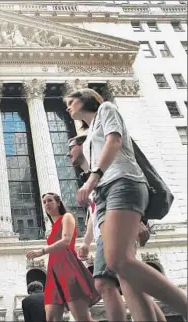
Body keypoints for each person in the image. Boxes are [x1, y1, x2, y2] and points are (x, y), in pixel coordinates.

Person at [64, 88, 187, 321]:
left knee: (118, 261)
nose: (68, 105)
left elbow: (115, 141)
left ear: (85, 99)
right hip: (104, 196)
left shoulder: (107, 109)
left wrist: (92, 178)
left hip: (123, 183)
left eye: (71, 101)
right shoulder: (88, 136)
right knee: (124, 273)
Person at [68, 135, 167, 322]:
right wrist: (86, 242)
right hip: (104, 233)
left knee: (104, 282)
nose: (68, 153)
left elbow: (123, 196)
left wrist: (136, 221)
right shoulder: (89, 177)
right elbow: (94, 212)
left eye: (71, 147)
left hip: (114, 228)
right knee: (129, 282)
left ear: (83, 146)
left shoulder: (103, 170)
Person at [26, 193, 100, 322]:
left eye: (50, 200)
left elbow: (66, 241)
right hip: (52, 271)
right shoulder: (53, 226)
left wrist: (42, 251)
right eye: (44, 202)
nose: (46, 204)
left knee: (82, 318)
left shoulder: (67, 217)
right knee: (51, 319)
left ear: (58, 203)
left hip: (68, 267)